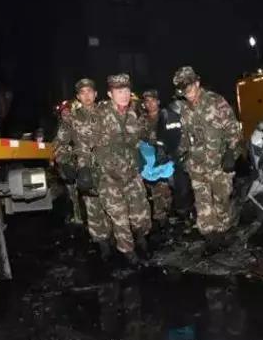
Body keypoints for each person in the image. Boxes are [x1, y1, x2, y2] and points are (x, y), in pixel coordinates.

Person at [173, 66, 243, 253]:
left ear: (197, 83)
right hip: (197, 166)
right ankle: (210, 238)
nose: (187, 93)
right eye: (182, 90)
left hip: (219, 163)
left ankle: (223, 233)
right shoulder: (185, 109)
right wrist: (181, 153)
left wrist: (231, 153)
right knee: (202, 203)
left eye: (188, 87)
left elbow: (233, 129)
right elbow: (186, 136)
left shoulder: (216, 101)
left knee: (222, 201)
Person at [94, 73, 152, 264]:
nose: (124, 95)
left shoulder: (134, 113)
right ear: (110, 94)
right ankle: (129, 253)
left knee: (141, 215)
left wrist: (154, 148)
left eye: (127, 90)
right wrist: (84, 167)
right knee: (120, 218)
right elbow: (86, 144)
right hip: (109, 177)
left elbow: (142, 137)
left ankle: (141, 239)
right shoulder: (99, 115)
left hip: (132, 173)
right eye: (119, 91)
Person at [52, 78, 113, 259]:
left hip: (109, 168)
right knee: (93, 208)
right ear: (78, 97)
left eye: (90, 92)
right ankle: (103, 246)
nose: (87, 96)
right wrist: (65, 162)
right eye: (82, 93)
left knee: (113, 206)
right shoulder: (71, 118)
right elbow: (59, 143)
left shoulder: (107, 112)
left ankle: (117, 240)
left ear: (96, 94)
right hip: (86, 169)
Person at [141, 89, 173, 231]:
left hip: (167, 160)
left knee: (169, 190)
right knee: (155, 190)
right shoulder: (141, 120)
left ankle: (173, 215)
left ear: (158, 102)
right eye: (147, 101)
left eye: (153, 100)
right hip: (150, 162)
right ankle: (161, 220)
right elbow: (138, 138)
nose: (150, 104)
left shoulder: (167, 116)